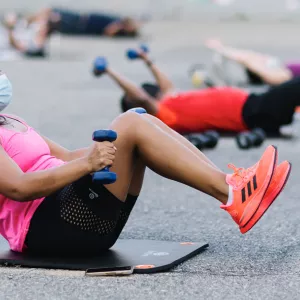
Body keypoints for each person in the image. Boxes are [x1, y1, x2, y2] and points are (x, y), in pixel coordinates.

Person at [0, 71, 291, 256]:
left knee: (138, 121)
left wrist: (112, 145)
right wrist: (90, 163)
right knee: (130, 124)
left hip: (70, 211)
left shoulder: (13, 122)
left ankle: (232, 188)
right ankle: (232, 194)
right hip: (47, 228)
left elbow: (65, 157)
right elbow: (18, 188)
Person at [96, 50, 300, 136]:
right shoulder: (165, 117)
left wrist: (147, 60)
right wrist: (109, 71)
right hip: (254, 112)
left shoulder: (170, 102)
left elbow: (166, 86)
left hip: (255, 106)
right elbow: (140, 96)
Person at [205, 38, 300, 86]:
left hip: (273, 72)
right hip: (276, 69)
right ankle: (222, 49)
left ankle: (222, 49)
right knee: (251, 57)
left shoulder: (281, 75)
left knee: (250, 58)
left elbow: (272, 78)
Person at [26, 7, 140, 37]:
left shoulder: (118, 28)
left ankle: (28, 23)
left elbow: (108, 32)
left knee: (53, 17)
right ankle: (29, 21)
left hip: (80, 25)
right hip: (81, 18)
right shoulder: (119, 20)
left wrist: (120, 26)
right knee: (51, 11)